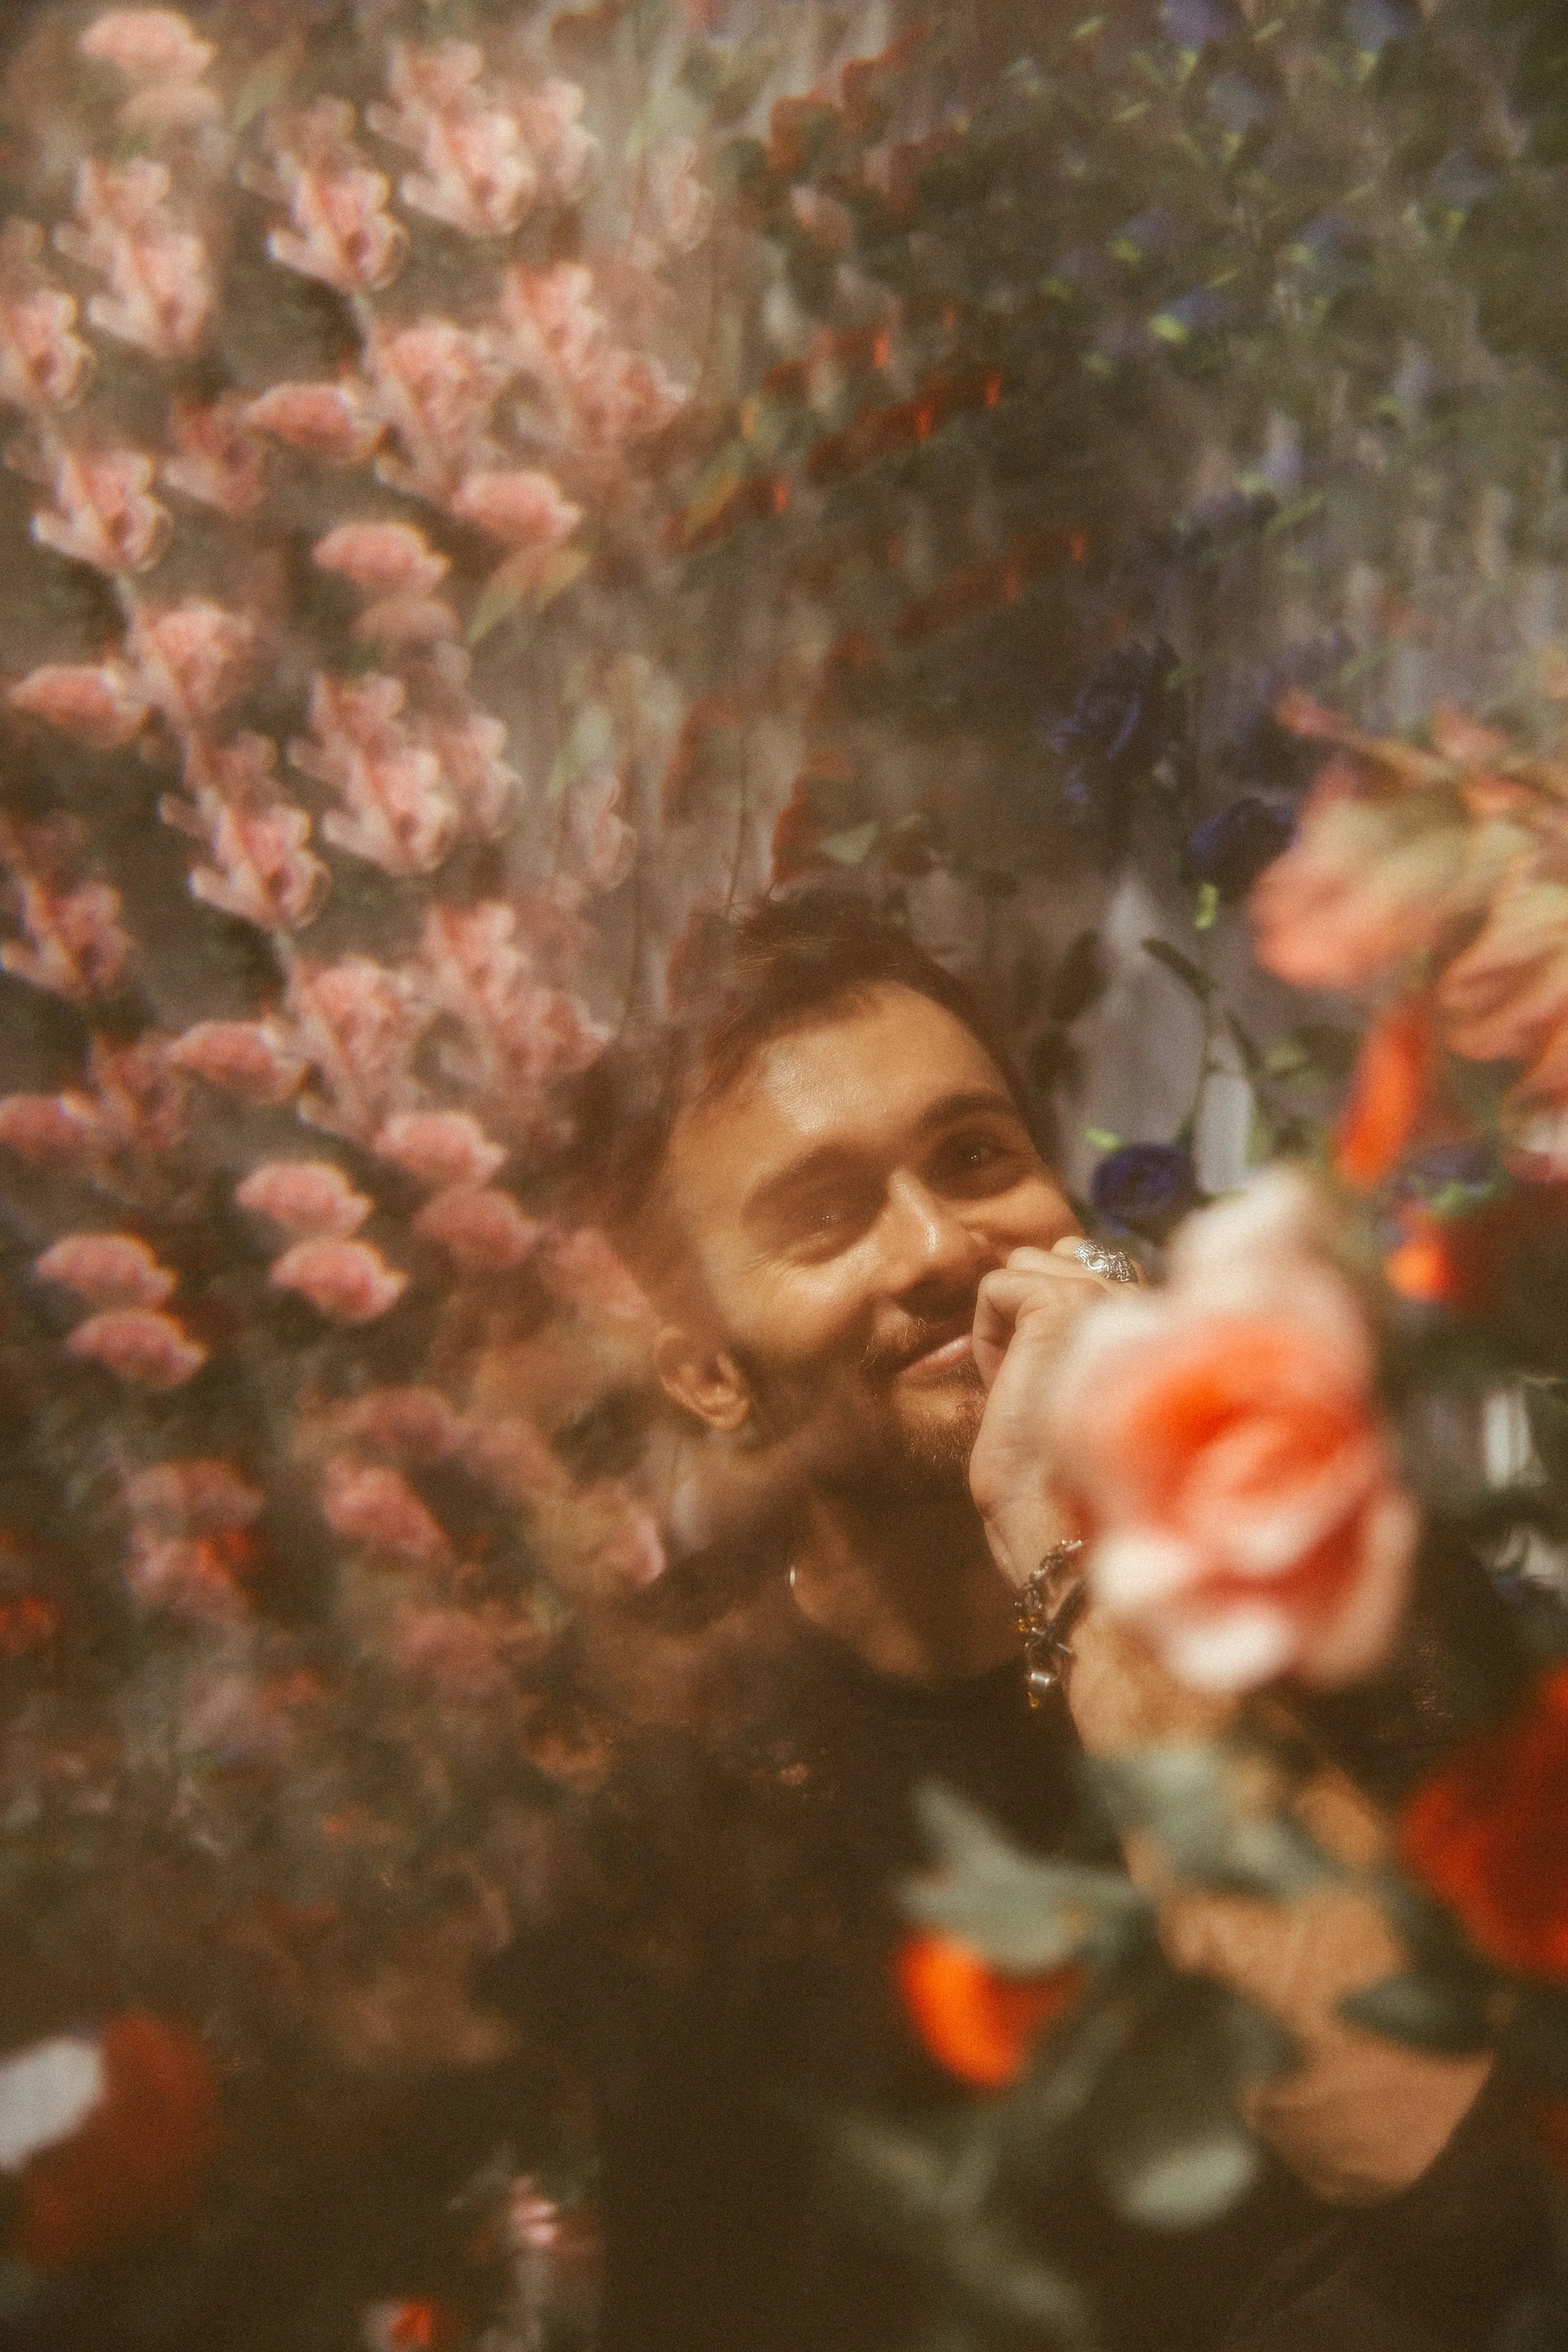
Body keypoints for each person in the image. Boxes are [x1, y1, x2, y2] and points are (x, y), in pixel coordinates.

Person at [509, 891, 1546, 2352]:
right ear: (710, 1380)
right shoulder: (652, 1741)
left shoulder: (1340, 1582)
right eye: (824, 1218)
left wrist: (1076, 1553)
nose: (939, 1243)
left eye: (974, 1156)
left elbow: (1460, 2177)